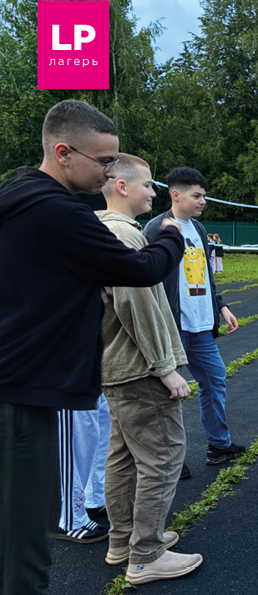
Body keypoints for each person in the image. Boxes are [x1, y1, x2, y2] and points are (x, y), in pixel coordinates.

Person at [0, 99, 184, 595]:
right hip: (29, 384)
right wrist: (171, 236)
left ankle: (126, 543)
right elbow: (140, 273)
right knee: (27, 532)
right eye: (103, 161)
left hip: (20, 374)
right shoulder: (59, 213)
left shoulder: (18, 192)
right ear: (63, 152)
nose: (108, 172)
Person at [97, 153, 202, 584]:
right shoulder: (123, 233)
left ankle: (123, 540)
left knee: (122, 458)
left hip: (116, 367)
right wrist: (165, 367)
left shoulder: (101, 228)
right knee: (163, 457)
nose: (154, 193)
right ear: (122, 186)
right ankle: (146, 554)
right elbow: (137, 305)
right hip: (139, 369)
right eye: (147, 185)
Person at [144, 167, 245, 469]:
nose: (203, 201)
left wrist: (221, 306)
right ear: (176, 194)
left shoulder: (199, 230)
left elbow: (207, 275)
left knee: (215, 380)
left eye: (204, 196)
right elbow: (148, 279)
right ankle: (171, 459)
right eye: (197, 196)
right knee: (168, 395)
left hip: (201, 326)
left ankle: (218, 445)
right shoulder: (156, 227)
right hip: (173, 326)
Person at [55, 396, 111, 543]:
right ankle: (69, 520)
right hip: (65, 379)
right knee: (74, 441)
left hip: (89, 375)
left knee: (97, 431)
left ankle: (94, 498)